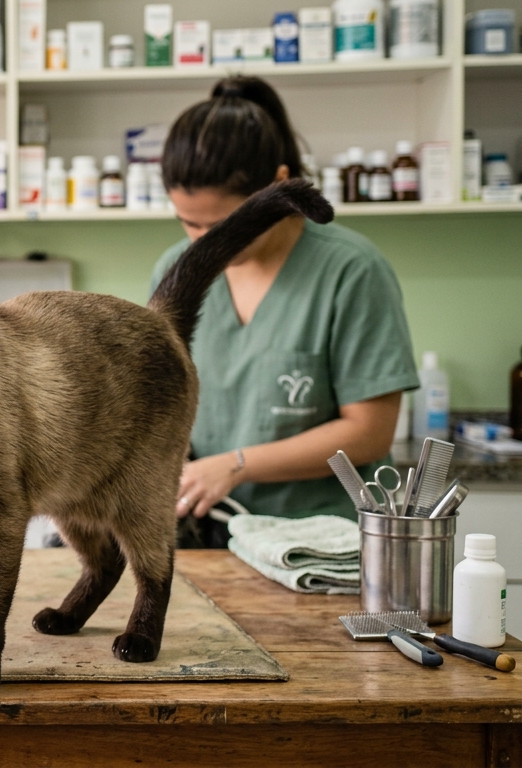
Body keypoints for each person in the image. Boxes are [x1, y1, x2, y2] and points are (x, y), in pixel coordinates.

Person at [148, 76, 418, 529]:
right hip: (212, 535)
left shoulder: (351, 271)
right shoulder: (175, 270)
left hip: (322, 538)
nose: (205, 243)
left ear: (278, 186)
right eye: (189, 224)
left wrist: (236, 464)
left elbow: (370, 433)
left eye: (224, 225)